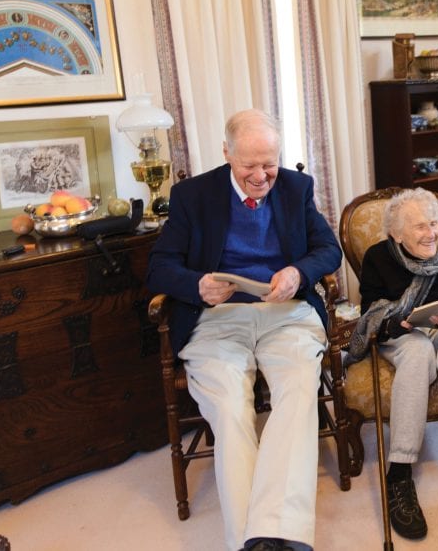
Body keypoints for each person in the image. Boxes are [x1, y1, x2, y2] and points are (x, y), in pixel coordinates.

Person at [147, 109, 342, 551]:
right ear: (226, 154)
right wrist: (197, 285)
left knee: (297, 392)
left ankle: (273, 533)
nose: (261, 176)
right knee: (231, 405)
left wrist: (298, 272)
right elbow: (159, 267)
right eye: (248, 165)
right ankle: (255, 541)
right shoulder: (193, 195)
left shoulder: (296, 188)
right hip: (218, 318)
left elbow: (328, 250)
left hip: (285, 311)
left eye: (268, 163)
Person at [349, 188, 438, 540]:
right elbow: (371, 312)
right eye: (419, 227)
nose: (431, 234)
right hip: (404, 335)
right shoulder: (377, 257)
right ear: (396, 234)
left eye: (434, 223)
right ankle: (399, 472)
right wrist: (396, 322)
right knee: (416, 355)